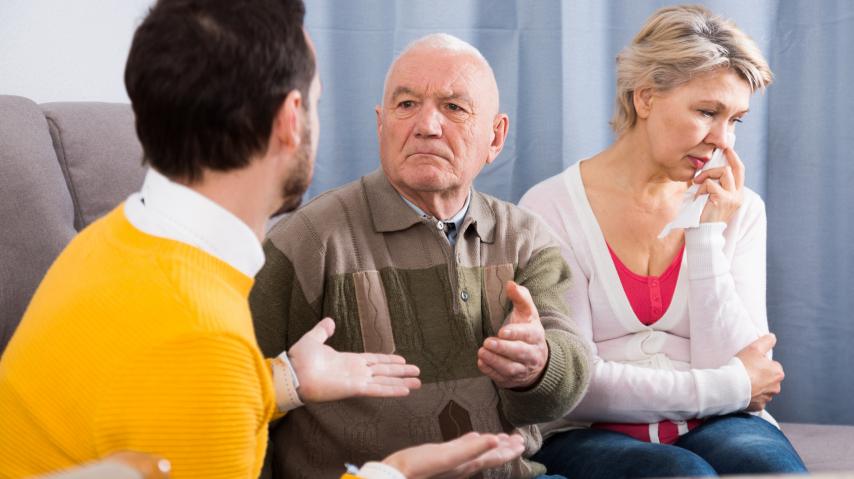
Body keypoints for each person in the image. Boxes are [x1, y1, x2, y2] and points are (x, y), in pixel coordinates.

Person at [0, 1, 527, 478]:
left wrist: (284, 380)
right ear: (289, 121)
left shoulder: (113, 240)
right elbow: (193, 376)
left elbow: (158, 401)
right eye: (317, 103)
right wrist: (394, 473)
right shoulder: (201, 338)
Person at [249, 33, 590, 479]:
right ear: (381, 124)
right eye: (406, 105)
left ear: (496, 136)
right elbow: (234, 398)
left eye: (453, 107)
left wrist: (537, 367)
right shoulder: (306, 242)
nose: (426, 125)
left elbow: (561, 393)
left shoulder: (526, 239)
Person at [519, 5, 807, 478]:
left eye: (736, 120)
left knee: (768, 471)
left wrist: (708, 235)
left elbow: (747, 366)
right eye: (707, 112)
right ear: (646, 97)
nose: (722, 142)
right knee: (681, 474)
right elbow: (577, 384)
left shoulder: (739, 209)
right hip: (586, 431)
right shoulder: (551, 208)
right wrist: (733, 383)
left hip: (721, 421)